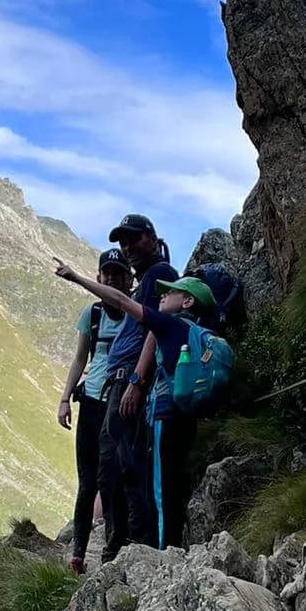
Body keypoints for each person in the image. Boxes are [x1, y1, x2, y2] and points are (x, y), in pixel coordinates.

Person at [54, 257, 219, 551]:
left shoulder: (169, 325)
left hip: (164, 415)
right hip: (185, 416)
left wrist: (76, 278)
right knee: (170, 481)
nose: (163, 295)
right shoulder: (196, 332)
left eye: (171, 292)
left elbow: (120, 300)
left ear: (188, 301)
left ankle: (159, 550)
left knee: (157, 486)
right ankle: (164, 543)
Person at [95, 214, 176, 556]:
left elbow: (158, 326)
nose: (126, 247)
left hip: (130, 379)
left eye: (132, 239)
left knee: (129, 464)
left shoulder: (160, 275)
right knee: (113, 466)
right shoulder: (147, 278)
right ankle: (120, 542)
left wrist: (137, 381)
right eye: (121, 241)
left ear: (151, 237)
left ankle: (137, 541)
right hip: (121, 379)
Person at [56, 248, 130, 571]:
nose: (111, 278)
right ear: (99, 276)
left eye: (117, 273)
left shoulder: (134, 311)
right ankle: (78, 553)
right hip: (90, 403)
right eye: (106, 273)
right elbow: (79, 359)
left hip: (120, 406)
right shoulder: (93, 315)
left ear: (129, 279)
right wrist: (64, 397)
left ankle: (112, 551)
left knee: (111, 479)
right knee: (87, 483)